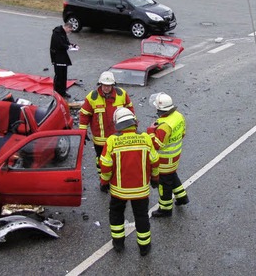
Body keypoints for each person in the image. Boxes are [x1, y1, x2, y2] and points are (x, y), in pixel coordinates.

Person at [99, 107, 159, 256]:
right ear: (133, 122)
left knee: (116, 214)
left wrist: (104, 182)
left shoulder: (112, 140)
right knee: (141, 216)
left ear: (117, 124)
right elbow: (155, 161)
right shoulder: (145, 138)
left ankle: (118, 243)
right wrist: (155, 179)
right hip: (141, 190)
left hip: (119, 191)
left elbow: (105, 166)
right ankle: (144, 247)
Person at [79, 71, 134, 175]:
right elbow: (84, 114)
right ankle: (103, 179)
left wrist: (133, 127)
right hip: (100, 139)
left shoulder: (121, 94)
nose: (106, 88)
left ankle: (115, 177)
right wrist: (82, 131)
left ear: (113, 85)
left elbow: (129, 110)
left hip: (118, 136)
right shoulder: (92, 97)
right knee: (101, 160)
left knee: (117, 158)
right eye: (104, 85)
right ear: (100, 84)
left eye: (109, 86)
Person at [146, 93, 189, 218]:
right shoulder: (178, 116)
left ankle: (165, 209)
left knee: (164, 185)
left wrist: (150, 132)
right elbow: (183, 133)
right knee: (172, 176)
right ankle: (182, 197)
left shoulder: (163, 126)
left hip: (164, 161)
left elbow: (156, 145)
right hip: (175, 156)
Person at [50, 22, 77, 98]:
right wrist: (68, 47)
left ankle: (63, 91)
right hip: (57, 57)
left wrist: (73, 45)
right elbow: (59, 44)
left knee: (64, 75)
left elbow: (66, 41)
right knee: (59, 75)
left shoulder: (63, 32)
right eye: (70, 30)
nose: (69, 32)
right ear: (67, 27)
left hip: (63, 56)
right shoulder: (57, 32)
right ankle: (57, 92)